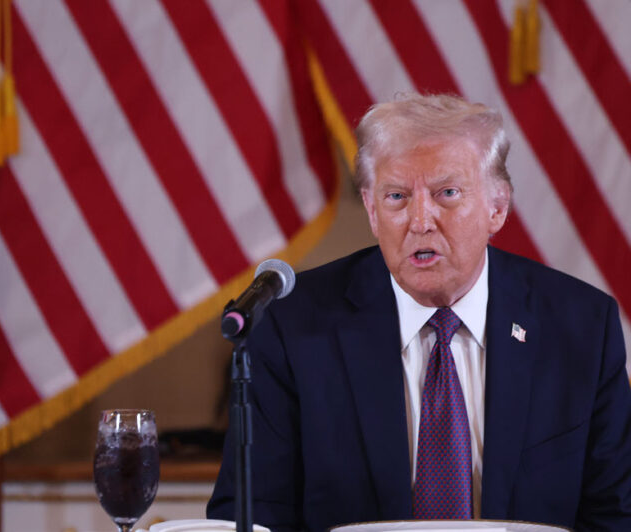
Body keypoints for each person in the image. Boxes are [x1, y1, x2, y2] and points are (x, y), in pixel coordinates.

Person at [207, 93, 631, 531]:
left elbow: (615, 516)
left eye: (447, 193)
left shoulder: (581, 327)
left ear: (497, 207)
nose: (420, 220)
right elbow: (252, 514)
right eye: (397, 196)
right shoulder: (292, 326)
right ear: (372, 211)